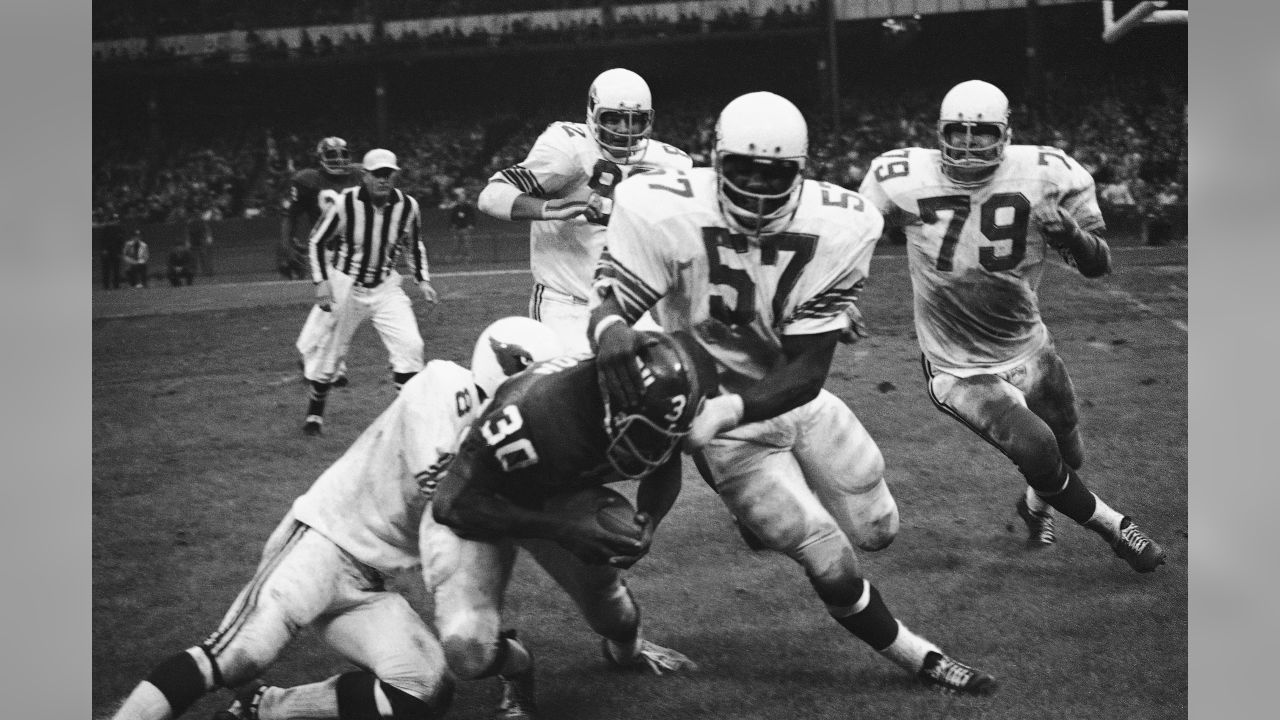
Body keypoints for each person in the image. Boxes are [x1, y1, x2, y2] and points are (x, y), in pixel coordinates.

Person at [588, 91, 997, 696]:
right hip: (726, 434)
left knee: (880, 528)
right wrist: (611, 327)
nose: (755, 185)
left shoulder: (842, 222)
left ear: (799, 173)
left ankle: (756, 516)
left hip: (796, 399)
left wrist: (740, 396)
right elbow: (610, 304)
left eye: (773, 172)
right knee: (828, 555)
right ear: (715, 161)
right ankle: (920, 656)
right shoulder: (660, 207)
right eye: (743, 169)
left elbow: (808, 371)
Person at [105, 317, 564, 720]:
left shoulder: (503, 441)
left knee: (424, 691)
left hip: (369, 581)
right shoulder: (447, 383)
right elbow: (444, 492)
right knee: (239, 655)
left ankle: (264, 707)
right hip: (324, 542)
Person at [856, 79, 1166, 573]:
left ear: (1005, 134)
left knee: (1070, 451)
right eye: (956, 130)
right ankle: (1117, 528)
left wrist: (1072, 235)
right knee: (1039, 447)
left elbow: (1099, 264)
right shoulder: (900, 175)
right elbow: (853, 239)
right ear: (939, 131)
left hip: (1028, 345)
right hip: (958, 366)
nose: (966, 141)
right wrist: (844, 296)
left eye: (981, 132)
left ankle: (1033, 506)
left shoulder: (1046, 173)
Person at [429, 330, 713, 719]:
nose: (647, 450)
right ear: (608, 406)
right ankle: (518, 667)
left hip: (557, 494)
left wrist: (651, 521)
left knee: (613, 614)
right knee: (468, 651)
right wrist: (560, 527)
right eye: (640, 435)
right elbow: (450, 505)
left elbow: (664, 457)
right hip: (483, 500)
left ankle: (630, 652)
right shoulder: (530, 414)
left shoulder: (658, 400)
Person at [477, 67, 693, 353]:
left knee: (667, 380)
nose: (623, 129)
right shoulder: (568, 146)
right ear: (593, 112)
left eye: (634, 120)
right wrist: (554, 207)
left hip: (627, 305)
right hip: (565, 305)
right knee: (578, 388)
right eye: (613, 118)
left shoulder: (671, 163)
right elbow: (491, 195)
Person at [301, 148, 438, 437]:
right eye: (377, 174)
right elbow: (316, 241)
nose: (383, 180)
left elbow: (413, 244)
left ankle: (408, 416)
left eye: (389, 174)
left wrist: (422, 280)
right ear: (364, 176)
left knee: (411, 346)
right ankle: (315, 414)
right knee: (330, 354)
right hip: (346, 284)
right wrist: (321, 282)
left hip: (386, 285)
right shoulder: (345, 204)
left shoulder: (407, 206)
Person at [288, 137, 365, 388]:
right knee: (328, 304)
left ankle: (329, 362)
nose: (339, 160)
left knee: (340, 308)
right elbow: (290, 214)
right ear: (321, 158)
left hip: (349, 255)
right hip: (322, 253)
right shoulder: (308, 181)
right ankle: (313, 353)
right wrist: (288, 242)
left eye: (342, 154)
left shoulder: (358, 175)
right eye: (332, 155)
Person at [440, 187, 477, 264]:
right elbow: (452, 218)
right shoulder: (456, 207)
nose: (462, 199)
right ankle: (451, 260)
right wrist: (452, 226)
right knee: (455, 245)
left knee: (467, 244)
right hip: (457, 228)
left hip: (465, 228)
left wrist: (471, 224)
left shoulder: (468, 207)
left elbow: (472, 217)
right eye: (460, 198)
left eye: (463, 198)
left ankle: (468, 259)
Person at [100, 214, 125, 290]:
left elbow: (121, 241)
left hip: (116, 252)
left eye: (117, 219)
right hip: (107, 252)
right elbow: (102, 241)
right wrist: (104, 250)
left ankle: (116, 285)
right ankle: (106, 286)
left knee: (116, 269)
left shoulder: (119, 229)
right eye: (115, 219)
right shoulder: (106, 229)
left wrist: (121, 251)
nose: (116, 221)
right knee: (107, 270)